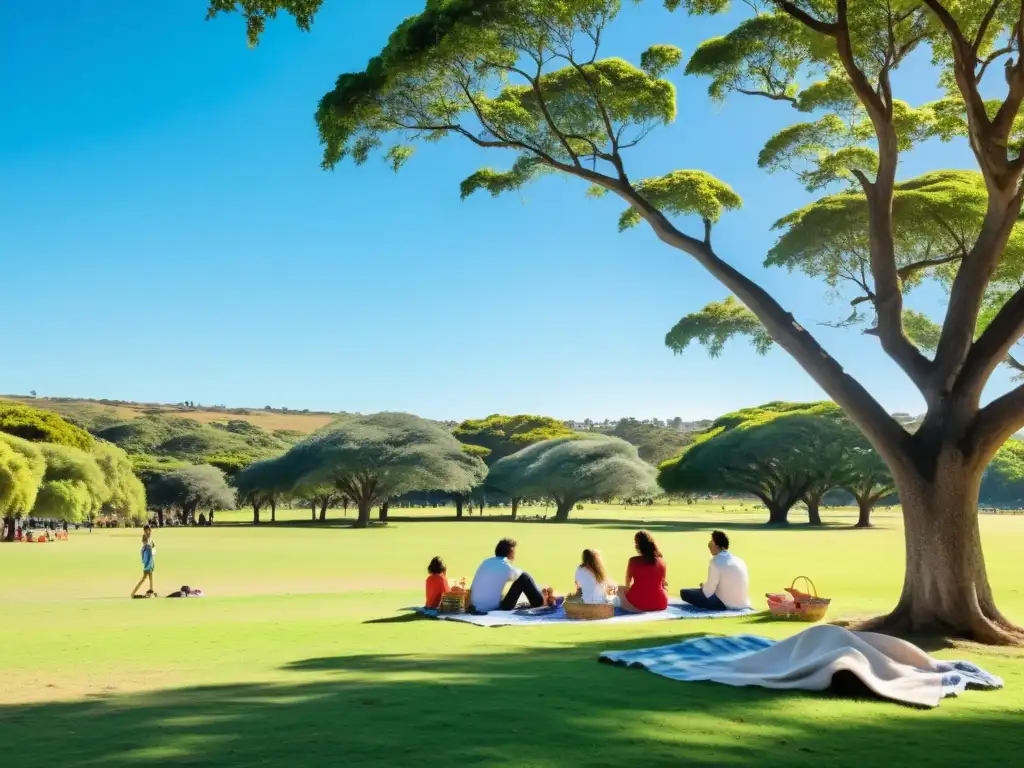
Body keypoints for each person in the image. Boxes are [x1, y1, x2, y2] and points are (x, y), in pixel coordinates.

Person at [469, 538, 552, 612]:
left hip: (474, 606)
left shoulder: (485, 562)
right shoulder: (506, 567)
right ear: (511, 552)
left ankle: (540, 597)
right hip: (492, 608)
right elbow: (524, 579)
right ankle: (540, 602)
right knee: (524, 576)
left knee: (520, 578)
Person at [680, 530, 751, 611]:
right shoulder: (739, 560)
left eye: (712, 541)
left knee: (684, 593)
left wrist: (704, 586)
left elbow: (708, 592)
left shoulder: (715, 562)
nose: (709, 544)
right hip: (743, 603)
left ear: (717, 545)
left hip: (724, 604)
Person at [619, 531, 668, 613]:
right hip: (660, 603)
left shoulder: (633, 561)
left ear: (638, 545)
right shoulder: (662, 562)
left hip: (638, 603)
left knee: (619, 590)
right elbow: (663, 584)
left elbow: (628, 583)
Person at [131, 533, 156, 598]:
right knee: (144, 579)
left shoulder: (143, 547)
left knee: (150, 578)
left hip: (147, 565)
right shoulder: (148, 547)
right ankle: (133, 592)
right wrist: (151, 565)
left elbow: (143, 559)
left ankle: (151, 590)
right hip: (148, 566)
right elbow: (151, 556)